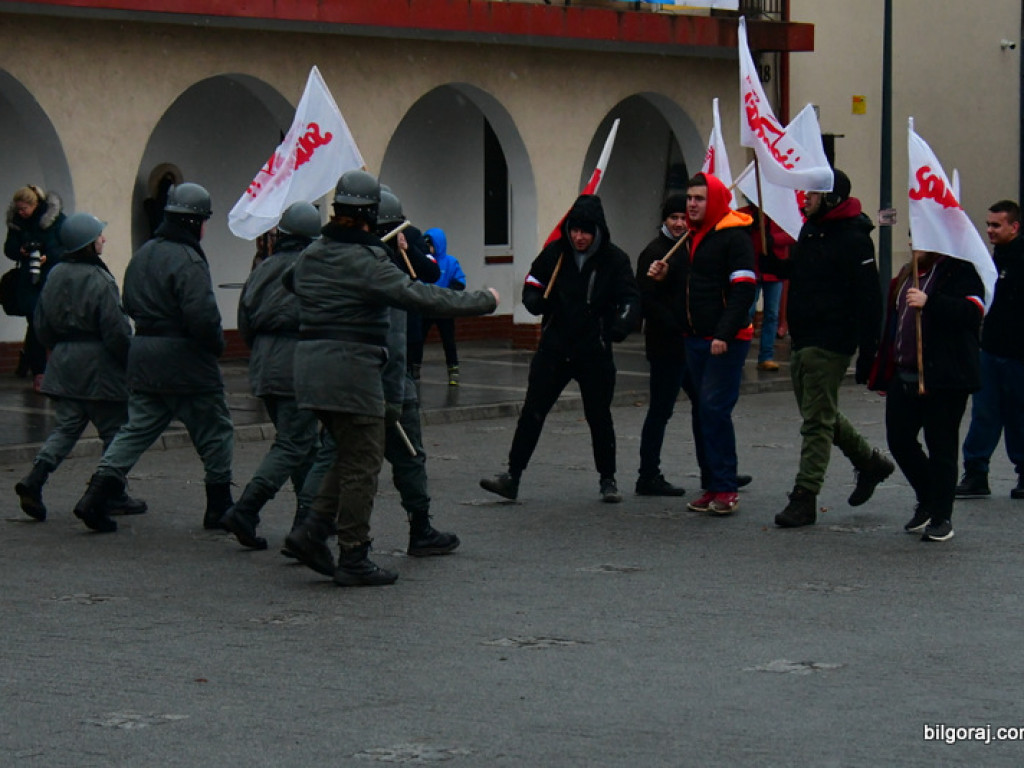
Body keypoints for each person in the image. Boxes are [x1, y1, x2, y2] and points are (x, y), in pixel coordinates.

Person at [281, 170, 499, 587]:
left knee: (346, 455)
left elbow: (292, 282)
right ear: (369, 216)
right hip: (352, 375)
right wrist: (483, 302)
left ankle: (311, 531)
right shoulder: (367, 261)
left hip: (309, 372)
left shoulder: (312, 254)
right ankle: (354, 554)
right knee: (363, 465)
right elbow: (421, 295)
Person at [69, 182, 235, 534]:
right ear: (194, 222)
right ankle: (219, 506)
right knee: (215, 430)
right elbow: (202, 315)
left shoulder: (143, 253)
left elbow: (128, 301)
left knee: (135, 430)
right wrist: (215, 344)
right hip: (185, 357)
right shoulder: (189, 259)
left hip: (144, 353)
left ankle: (95, 496)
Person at [480, 194, 639, 504]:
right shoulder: (555, 253)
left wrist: (621, 325)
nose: (579, 237)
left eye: (586, 231)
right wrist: (534, 301)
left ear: (598, 231)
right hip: (555, 348)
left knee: (599, 416)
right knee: (533, 412)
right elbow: (533, 283)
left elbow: (630, 299)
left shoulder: (614, 260)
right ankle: (512, 475)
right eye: (575, 230)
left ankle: (608, 478)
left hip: (594, 350)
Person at [761, 170, 894, 528]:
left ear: (831, 198)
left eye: (813, 194)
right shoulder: (811, 229)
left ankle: (804, 497)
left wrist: (870, 351)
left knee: (816, 421)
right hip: (803, 337)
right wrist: (772, 265)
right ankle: (870, 462)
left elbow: (869, 299)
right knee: (819, 411)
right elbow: (806, 269)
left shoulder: (854, 238)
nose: (805, 199)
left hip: (832, 340)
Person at [14, 213, 146, 522]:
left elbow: (41, 326)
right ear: (88, 243)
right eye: (99, 236)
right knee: (116, 433)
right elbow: (116, 331)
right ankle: (110, 493)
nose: (103, 239)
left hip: (64, 363)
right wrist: (130, 362)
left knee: (65, 429)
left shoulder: (55, 274)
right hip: (100, 368)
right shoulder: (100, 279)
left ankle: (35, 478)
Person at [647, 173, 756, 515]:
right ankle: (712, 484)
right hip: (692, 339)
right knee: (703, 412)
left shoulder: (734, 238)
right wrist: (665, 274)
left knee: (714, 409)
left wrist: (724, 333)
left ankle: (726, 488)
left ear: (716, 201)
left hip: (724, 341)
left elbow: (743, 291)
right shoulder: (693, 238)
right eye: (689, 198)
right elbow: (691, 286)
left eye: (699, 198)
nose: (691, 204)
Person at [220, 202, 323, 551]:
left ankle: (306, 522)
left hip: (264, 363)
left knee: (302, 445)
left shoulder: (262, 269)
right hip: (298, 363)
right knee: (294, 444)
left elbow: (245, 320)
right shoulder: (311, 268)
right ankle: (247, 509)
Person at [869, 250, 985, 542]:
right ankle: (928, 496)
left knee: (941, 446)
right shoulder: (907, 273)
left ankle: (941, 516)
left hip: (945, 377)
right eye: (911, 237)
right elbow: (893, 324)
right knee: (899, 439)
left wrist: (931, 302)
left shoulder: (959, 270)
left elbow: (973, 312)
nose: (914, 243)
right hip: (904, 372)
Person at [954, 200, 1024, 500]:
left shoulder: (1018, 260)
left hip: (1018, 353)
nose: (990, 230)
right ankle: (976, 472)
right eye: (988, 225)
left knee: (1018, 414)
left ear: (1014, 226)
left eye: (996, 225)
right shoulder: (992, 259)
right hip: (991, 349)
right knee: (984, 412)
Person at [4, 185, 66, 391]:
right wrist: (20, 250)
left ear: (35, 204)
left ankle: (56, 370)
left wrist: (48, 256)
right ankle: (39, 371)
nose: (21, 212)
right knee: (35, 325)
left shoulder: (54, 220)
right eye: (18, 209)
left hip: (50, 277)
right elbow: (9, 248)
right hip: (29, 280)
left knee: (54, 323)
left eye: (24, 208)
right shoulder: (17, 223)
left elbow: (64, 245)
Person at [409, 227, 466, 386]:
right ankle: (415, 368)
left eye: (430, 245)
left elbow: (460, 281)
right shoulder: (425, 261)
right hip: (426, 307)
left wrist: (448, 294)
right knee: (418, 340)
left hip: (444, 309)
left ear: (438, 245)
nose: (428, 249)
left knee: (448, 341)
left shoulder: (450, 262)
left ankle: (453, 370)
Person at [740, 207, 794, 372]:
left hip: (774, 271)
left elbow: (792, 234)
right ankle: (740, 355)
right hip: (753, 269)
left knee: (771, 314)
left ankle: (766, 356)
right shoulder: (746, 214)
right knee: (746, 313)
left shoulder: (782, 214)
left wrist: (773, 239)